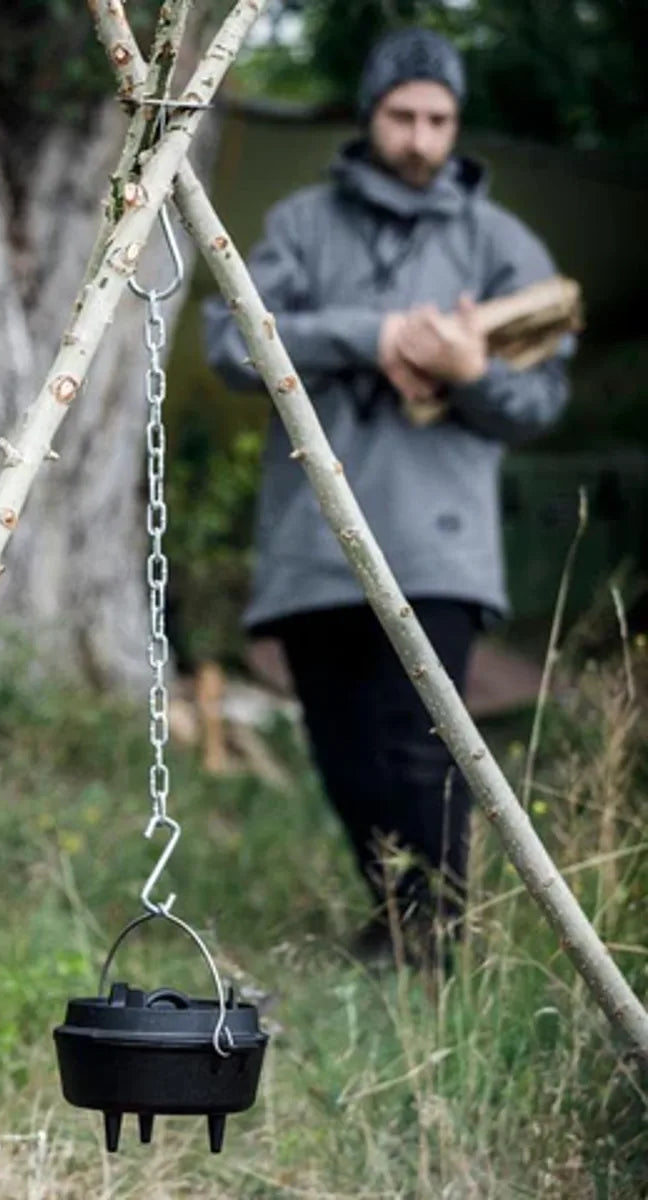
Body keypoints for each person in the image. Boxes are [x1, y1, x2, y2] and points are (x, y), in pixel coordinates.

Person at [202, 28, 570, 963]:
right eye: (401, 114)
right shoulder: (301, 225)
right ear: (371, 116)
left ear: (456, 125)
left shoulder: (499, 244)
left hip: (439, 543)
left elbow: (539, 398)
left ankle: (441, 932)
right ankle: (397, 915)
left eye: (436, 118)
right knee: (341, 745)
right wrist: (375, 336)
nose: (417, 135)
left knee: (419, 740)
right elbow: (229, 342)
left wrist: (467, 368)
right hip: (313, 535)